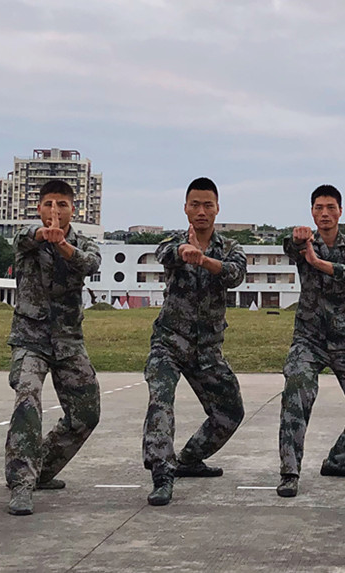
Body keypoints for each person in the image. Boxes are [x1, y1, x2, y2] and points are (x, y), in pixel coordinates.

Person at [143, 177, 248, 506]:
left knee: (230, 412)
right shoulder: (172, 242)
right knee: (161, 401)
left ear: (217, 209)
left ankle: (187, 460)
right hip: (169, 344)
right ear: (186, 208)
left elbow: (234, 274)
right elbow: (165, 254)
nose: (201, 211)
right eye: (195, 205)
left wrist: (203, 259)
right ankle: (162, 472)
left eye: (208, 205)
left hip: (207, 350)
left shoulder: (231, 248)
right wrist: (183, 251)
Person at [4, 179, 102, 516]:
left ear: (74, 209)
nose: (55, 212)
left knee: (87, 413)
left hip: (68, 341)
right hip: (30, 338)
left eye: (62, 205)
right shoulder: (28, 240)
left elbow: (89, 263)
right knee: (27, 397)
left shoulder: (84, 243)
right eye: (48, 204)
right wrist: (44, 237)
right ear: (39, 208)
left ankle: (40, 470)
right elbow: (23, 239)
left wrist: (63, 246)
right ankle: (21, 483)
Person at [276, 184, 345, 498]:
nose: (325, 213)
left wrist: (317, 263)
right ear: (312, 212)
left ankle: (340, 459)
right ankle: (290, 472)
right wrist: (297, 239)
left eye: (331, 207)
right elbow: (288, 248)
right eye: (318, 208)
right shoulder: (305, 243)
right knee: (296, 393)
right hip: (308, 338)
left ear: (341, 211)